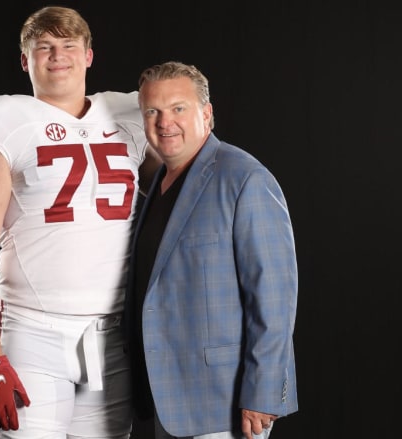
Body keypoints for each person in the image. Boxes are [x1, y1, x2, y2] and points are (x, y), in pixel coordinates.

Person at [0, 6, 160, 438]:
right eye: (43, 47)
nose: (57, 56)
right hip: (33, 330)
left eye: (69, 45)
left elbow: (185, 185)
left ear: (88, 56)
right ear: (24, 60)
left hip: (112, 333)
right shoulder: (2, 121)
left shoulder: (130, 115)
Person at [122, 61, 299, 439]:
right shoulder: (157, 185)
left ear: (207, 114)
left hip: (225, 402)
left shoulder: (244, 178)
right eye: (152, 111)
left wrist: (265, 391)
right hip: (169, 399)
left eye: (178, 109)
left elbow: (274, 296)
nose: (164, 122)